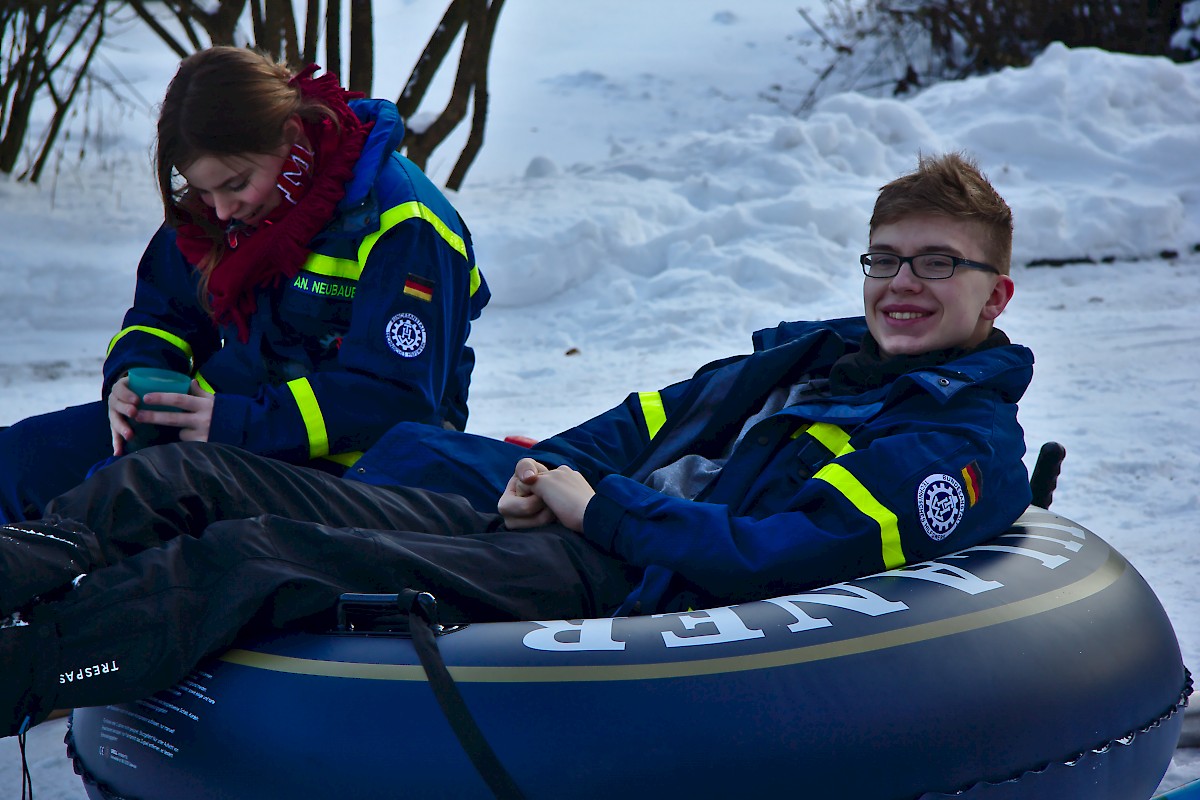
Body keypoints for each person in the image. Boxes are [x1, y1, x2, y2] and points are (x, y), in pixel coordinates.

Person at [1, 152, 1032, 739]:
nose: (903, 281)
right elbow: (641, 421)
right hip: (563, 521)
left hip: (627, 580)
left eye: (940, 264)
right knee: (183, 472)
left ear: (998, 293)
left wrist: (600, 508)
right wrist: (546, 473)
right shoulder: (809, 356)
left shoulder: (954, 439)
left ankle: (20, 673)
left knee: (253, 551)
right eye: (887, 256)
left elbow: (780, 551)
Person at [0, 46, 490, 522]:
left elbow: (395, 396)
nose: (220, 210)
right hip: (215, 431)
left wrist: (235, 424)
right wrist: (134, 379)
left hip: (352, 471)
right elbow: (161, 314)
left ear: (292, 136)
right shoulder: (217, 208)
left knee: (126, 518)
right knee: (15, 461)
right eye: (201, 188)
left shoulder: (405, 223)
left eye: (234, 184)